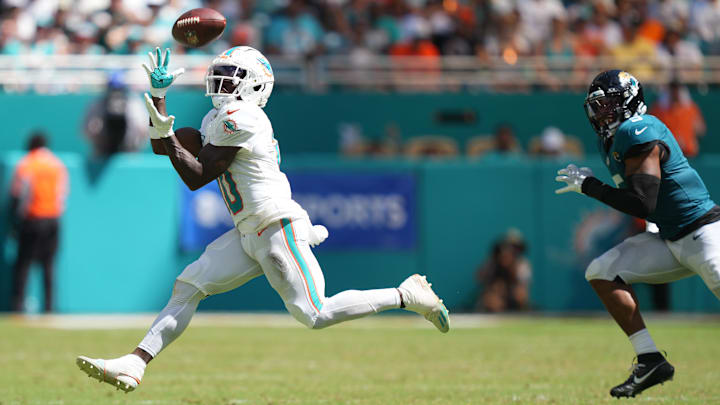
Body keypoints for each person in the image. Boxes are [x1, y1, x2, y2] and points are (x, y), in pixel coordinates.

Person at [75, 47, 450, 392]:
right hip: (248, 231)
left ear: (254, 84)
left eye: (231, 74)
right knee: (188, 284)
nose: (221, 81)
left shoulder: (246, 117)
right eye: (219, 72)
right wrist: (158, 97)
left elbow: (195, 175)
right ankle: (135, 363)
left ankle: (406, 294)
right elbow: (165, 144)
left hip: (274, 225)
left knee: (315, 312)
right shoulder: (217, 116)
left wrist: (165, 127)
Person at [555, 70, 720, 398]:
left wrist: (590, 186)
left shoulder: (638, 129)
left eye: (609, 105)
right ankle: (650, 360)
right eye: (597, 107)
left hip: (704, 233)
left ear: (630, 100)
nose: (603, 114)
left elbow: (642, 202)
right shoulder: (614, 139)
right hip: (672, 239)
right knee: (601, 271)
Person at [9, 132, 68, 313]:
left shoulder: (26, 164)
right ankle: (49, 308)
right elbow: (62, 193)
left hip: (32, 219)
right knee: (49, 265)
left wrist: (15, 221)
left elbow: (20, 195)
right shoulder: (57, 164)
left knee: (24, 264)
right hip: (53, 219)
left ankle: (18, 307)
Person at [475, 230, 531, 313]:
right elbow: (479, 277)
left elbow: (522, 288)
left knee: (520, 295)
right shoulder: (493, 262)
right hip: (496, 295)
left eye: (515, 248)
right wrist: (494, 262)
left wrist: (511, 266)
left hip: (512, 295)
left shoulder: (522, 264)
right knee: (492, 299)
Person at [649, 81, 705, 158]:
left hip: (688, 154)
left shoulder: (691, 108)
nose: (675, 94)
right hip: (667, 155)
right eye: (672, 91)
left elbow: (700, 129)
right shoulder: (658, 110)